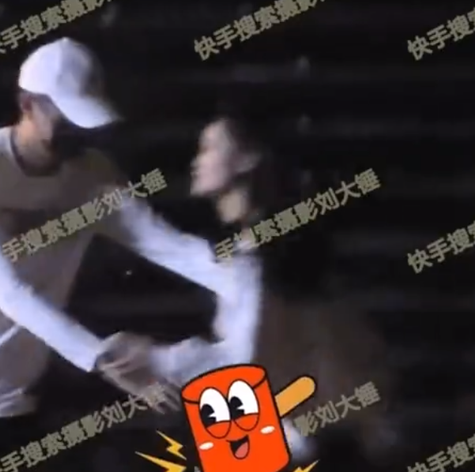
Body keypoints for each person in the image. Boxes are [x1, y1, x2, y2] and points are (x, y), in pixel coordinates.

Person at [0, 38, 260, 472]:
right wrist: (99, 356)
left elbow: (169, 247)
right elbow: (10, 292)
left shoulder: (92, 176)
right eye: (64, 118)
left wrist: (259, 283)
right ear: (27, 105)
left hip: (3, 400)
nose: (76, 132)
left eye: (84, 119)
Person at [169, 103, 398, 469]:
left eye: (209, 148)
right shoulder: (248, 252)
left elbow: (261, 361)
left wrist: (167, 361)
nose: (197, 161)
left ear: (247, 159)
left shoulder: (274, 256)